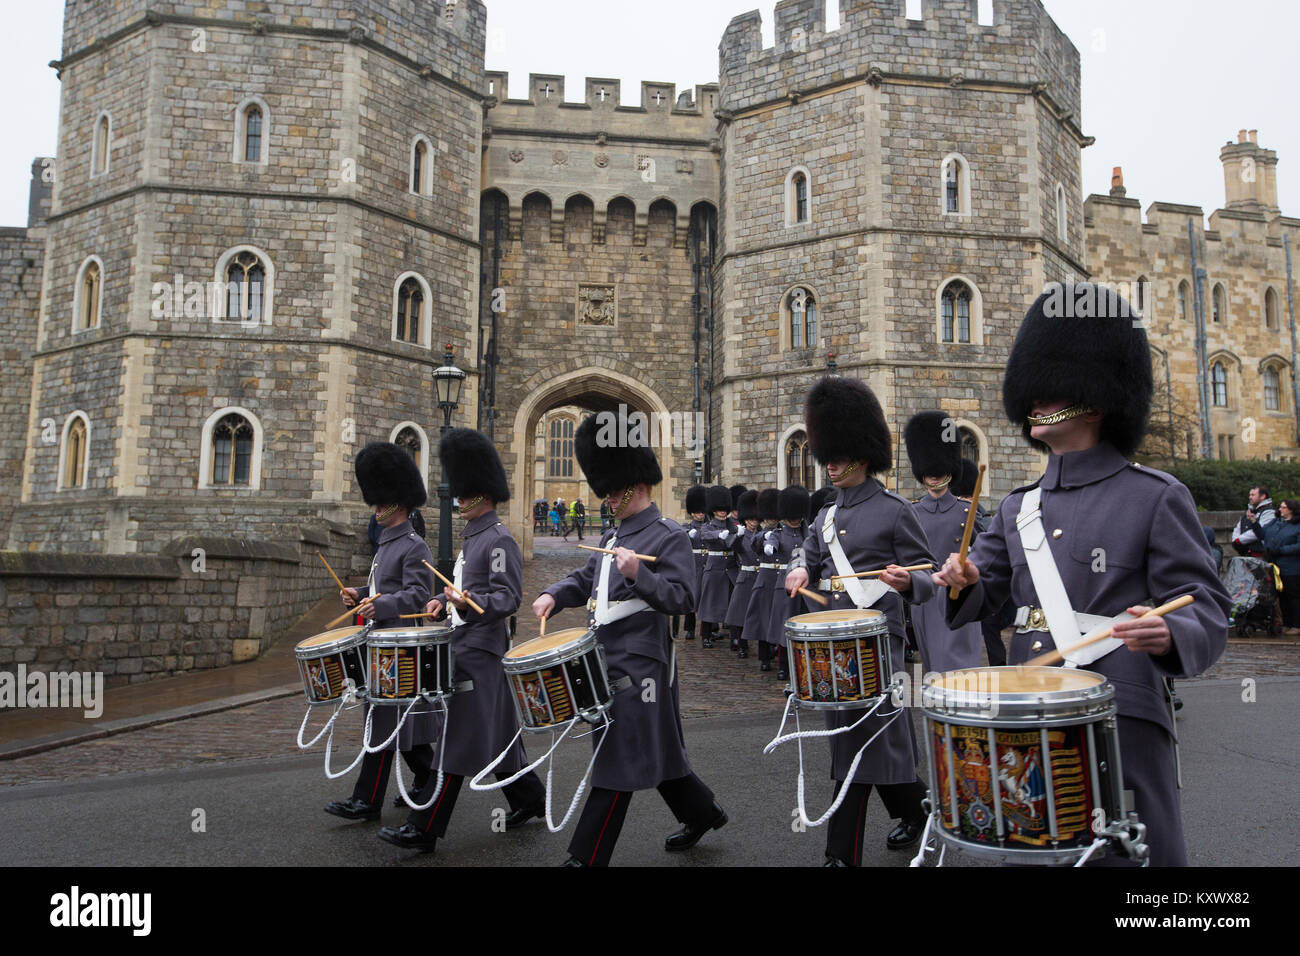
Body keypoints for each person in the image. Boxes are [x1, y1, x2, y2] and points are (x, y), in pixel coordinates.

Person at [934, 282, 1231, 867]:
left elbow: (1205, 604)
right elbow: (986, 592)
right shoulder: (1019, 506)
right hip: (1031, 700)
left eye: (1052, 392)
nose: (1036, 403)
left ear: (1095, 398)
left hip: (1122, 704)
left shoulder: (1154, 496)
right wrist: (961, 579)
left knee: (1128, 857)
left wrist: (1171, 632)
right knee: (1036, 846)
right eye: (1034, 393)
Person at [534, 415, 727, 866]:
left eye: (610, 490)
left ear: (633, 485)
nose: (606, 499)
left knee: (617, 756)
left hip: (642, 665)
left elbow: (683, 598)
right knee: (651, 747)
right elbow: (587, 578)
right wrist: (551, 595)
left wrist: (639, 574)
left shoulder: (669, 536)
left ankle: (585, 857)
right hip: (606, 658)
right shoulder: (614, 534)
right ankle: (702, 812)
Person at [783, 378, 935, 864]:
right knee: (855, 737)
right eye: (826, 454)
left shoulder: (894, 511)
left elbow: (927, 573)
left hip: (878, 644)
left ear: (862, 454)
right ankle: (918, 809)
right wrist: (800, 569)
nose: (828, 463)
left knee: (868, 735)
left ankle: (839, 854)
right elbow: (805, 558)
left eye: (837, 454)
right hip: (831, 644)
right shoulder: (825, 516)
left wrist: (907, 582)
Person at [378, 428, 547, 853]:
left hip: (481, 651)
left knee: (454, 741)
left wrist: (466, 603)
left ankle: (425, 829)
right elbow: (458, 585)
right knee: (496, 732)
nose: (457, 498)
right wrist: (440, 600)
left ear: (481, 494)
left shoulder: (499, 538)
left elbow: (507, 597)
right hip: (463, 644)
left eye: (463, 492)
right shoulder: (475, 536)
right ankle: (530, 797)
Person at [325, 442, 436, 822]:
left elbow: (420, 595)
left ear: (398, 503)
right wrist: (357, 594)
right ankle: (430, 777)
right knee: (392, 722)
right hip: (380, 644)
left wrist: (382, 605)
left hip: (400, 647)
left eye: (381, 501)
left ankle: (367, 800)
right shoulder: (385, 544)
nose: (376, 508)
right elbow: (381, 587)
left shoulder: (412, 544)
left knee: (387, 722)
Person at [904, 412, 984, 672]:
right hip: (926, 599)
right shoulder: (911, 512)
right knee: (933, 671)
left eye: (938, 472)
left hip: (957, 596)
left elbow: (985, 552)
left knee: (961, 671)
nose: (934, 477)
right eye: (929, 472)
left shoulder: (966, 511)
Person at [952, 458, 1012, 666]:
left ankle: (998, 669)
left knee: (990, 632)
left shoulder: (983, 520)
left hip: (988, 586)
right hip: (973, 587)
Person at [767, 486, 810, 678]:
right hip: (784, 585)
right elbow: (771, 543)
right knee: (784, 627)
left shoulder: (807, 532)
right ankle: (784, 665)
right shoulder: (778, 532)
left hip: (805, 586)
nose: (795, 519)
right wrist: (768, 545)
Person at [1245, 499, 1300, 634]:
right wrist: (1253, 522)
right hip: (1275, 565)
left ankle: (1296, 625)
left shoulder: (1297, 525)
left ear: (1291, 510)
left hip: (1291, 567)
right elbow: (1263, 534)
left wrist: (1282, 550)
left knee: (1294, 596)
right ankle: (1287, 623)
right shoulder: (1276, 522)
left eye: (1284, 507)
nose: (1280, 509)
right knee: (1282, 597)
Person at [745, 489, 782, 673]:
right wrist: (765, 537)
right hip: (766, 579)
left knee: (781, 619)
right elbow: (754, 544)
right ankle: (765, 657)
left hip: (781, 580)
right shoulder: (761, 534)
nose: (772, 520)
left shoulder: (785, 531)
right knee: (763, 619)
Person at [697, 485, 736, 649]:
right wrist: (718, 535)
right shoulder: (708, 526)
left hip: (731, 567)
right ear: (713, 510)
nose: (722, 512)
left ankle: (736, 638)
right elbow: (704, 535)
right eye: (719, 509)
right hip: (714, 567)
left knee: (734, 604)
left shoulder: (732, 525)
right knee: (709, 603)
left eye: (724, 509)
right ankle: (706, 635)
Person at [724, 490, 760, 659]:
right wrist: (738, 536)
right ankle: (741, 644)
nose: (753, 522)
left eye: (755, 518)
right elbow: (733, 547)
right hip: (745, 576)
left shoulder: (763, 534)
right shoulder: (740, 534)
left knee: (761, 613)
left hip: (760, 578)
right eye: (750, 519)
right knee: (740, 613)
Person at [678, 485, 708, 642]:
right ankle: (689, 628)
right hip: (694, 565)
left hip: (707, 564)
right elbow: (679, 535)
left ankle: (709, 629)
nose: (700, 514)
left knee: (707, 597)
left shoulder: (710, 527)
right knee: (692, 596)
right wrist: (688, 534)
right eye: (697, 511)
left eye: (702, 511)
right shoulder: (687, 527)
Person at [1231, 487, 1276, 557]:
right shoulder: (1248, 512)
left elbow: (1260, 531)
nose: (1250, 497)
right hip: (1245, 554)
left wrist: (1239, 540)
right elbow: (1237, 528)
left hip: (1260, 555)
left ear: (1263, 496)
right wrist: (1235, 540)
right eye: (1249, 495)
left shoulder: (1269, 512)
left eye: (1253, 495)